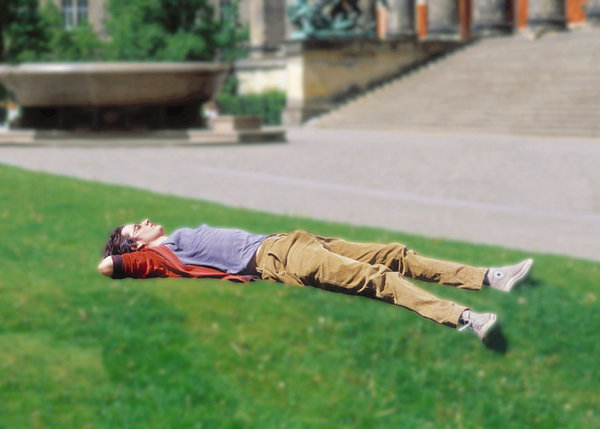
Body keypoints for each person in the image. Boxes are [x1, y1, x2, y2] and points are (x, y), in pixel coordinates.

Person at [98, 219, 534, 344]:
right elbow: (108, 268)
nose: (144, 221)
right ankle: (468, 319)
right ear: (133, 246)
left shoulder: (173, 239)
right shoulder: (159, 258)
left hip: (291, 241)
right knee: (378, 278)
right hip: (278, 256)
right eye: (134, 227)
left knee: (393, 255)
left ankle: (492, 278)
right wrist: (125, 256)